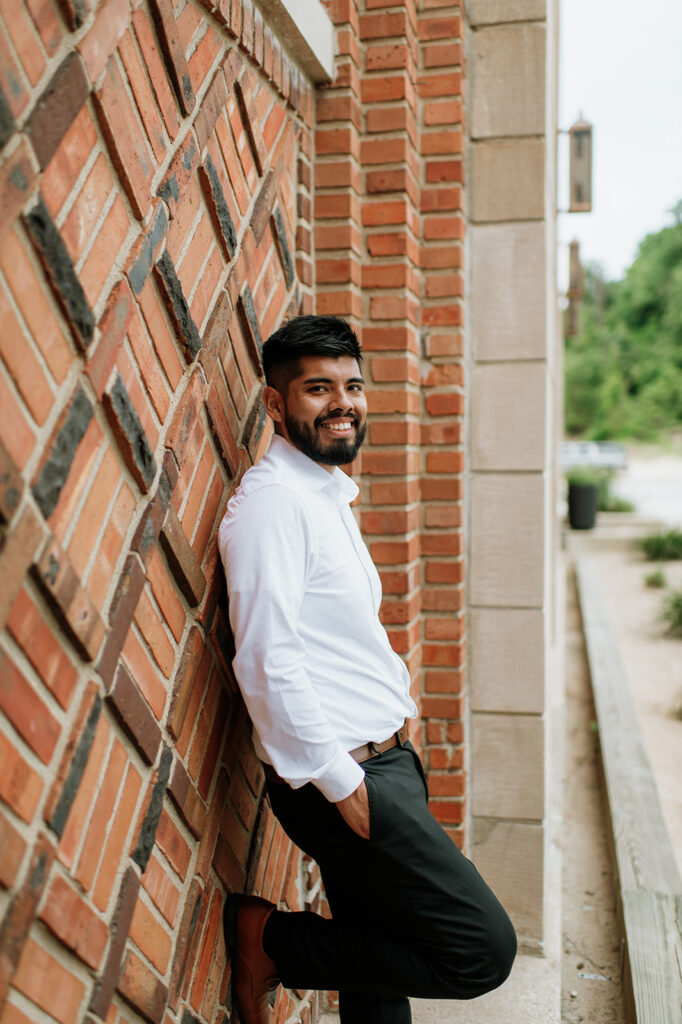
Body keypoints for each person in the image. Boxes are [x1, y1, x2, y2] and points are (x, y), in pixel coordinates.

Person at [218, 315, 516, 1024]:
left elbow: (336, 628)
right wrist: (344, 782)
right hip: (342, 775)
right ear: (275, 404)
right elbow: (266, 658)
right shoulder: (272, 507)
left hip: (382, 759)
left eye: (352, 385)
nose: (343, 402)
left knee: (378, 954)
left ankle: (277, 943)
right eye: (318, 388)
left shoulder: (324, 492)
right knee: (480, 949)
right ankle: (269, 940)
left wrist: (398, 695)